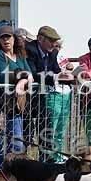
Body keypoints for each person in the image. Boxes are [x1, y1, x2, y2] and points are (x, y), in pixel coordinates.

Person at [0, 25, 32, 170]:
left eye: (9, 37)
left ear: (14, 39)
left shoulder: (20, 56)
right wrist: (23, 76)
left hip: (16, 105)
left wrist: (22, 81)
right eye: (3, 38)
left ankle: (11, 170)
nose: (6, 40)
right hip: (1, 104)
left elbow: (31, 74)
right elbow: (2, 76)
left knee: (16, 141)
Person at [24, 26, 69, 162]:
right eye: (51, 40)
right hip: (26, 99)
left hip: (43, 98)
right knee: (26, 134)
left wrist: (67, 76)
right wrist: (56, 77)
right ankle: (21, 164)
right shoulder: (29, 50)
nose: (54, 44)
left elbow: (55, 70)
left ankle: (45, 162)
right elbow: (33, 73)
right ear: (40, 39)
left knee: (46, 132)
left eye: (55, 41)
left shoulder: (52, 52)